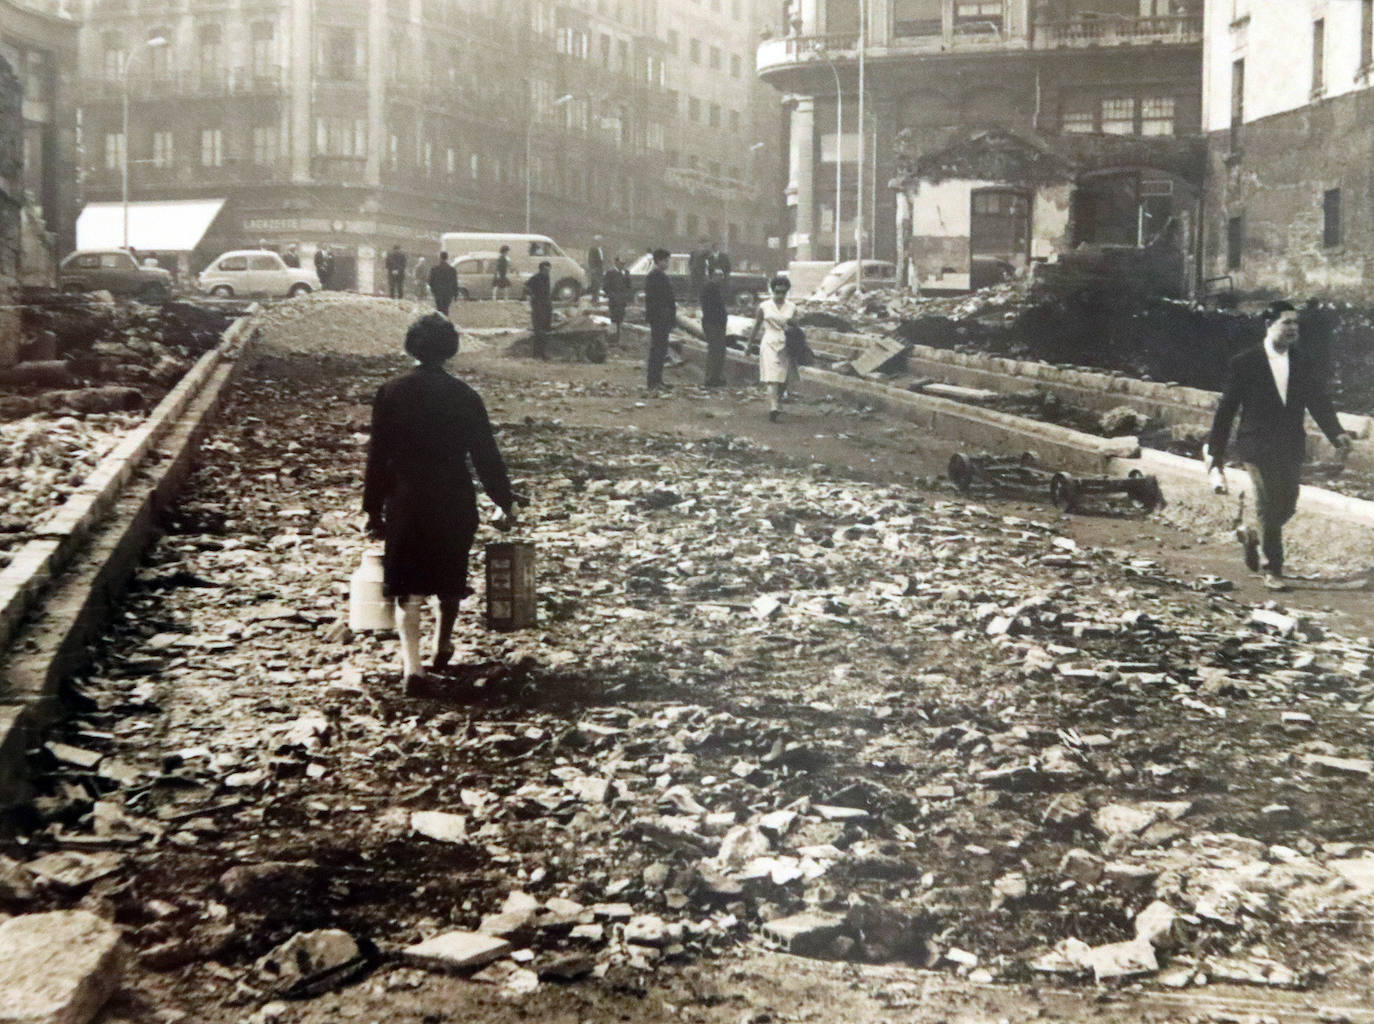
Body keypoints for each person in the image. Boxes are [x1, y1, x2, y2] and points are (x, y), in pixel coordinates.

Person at [364, 314, 516, 687]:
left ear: (411, 346)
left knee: (409, 586)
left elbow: (378, 456)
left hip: (407, 497)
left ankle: (411, 667)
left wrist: (371, 508)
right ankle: (442, 644)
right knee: (450, 576)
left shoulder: (391, 392)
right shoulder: (465, 396)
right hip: (453, 497)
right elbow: (486, 455)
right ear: (451, 349)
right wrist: (505, 500)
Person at [1208, 299, 1354, 591]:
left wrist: (1336, 432)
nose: (1293, 329)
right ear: (1269, 324)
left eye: (1296, 323)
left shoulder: (1302, 361)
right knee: (1265, 503)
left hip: (1289, 446)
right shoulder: (1245, 362)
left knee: (1286, 504)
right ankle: (1272, 568)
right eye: (1286, 322)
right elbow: (1226, 410)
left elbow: (1318, 401)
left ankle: (1253, 536)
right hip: (1255, 445)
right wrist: (1216, 455)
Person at [747, 275, 798, 422]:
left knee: (782, 377)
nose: (779, 296)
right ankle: (773, 407)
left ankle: (778, 401)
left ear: (787, 292)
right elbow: (756, 326)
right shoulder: (764, 306)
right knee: (771, 376)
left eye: (783, 292)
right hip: (769, 341)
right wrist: (750, 344)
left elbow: (796, 328)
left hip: (786, 343)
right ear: (772, 291)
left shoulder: (792, 307)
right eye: (777, 292)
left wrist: (798, 345)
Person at [644, 248, 676, 389]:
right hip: (659, 318)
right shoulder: (655, 276)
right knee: (657, 349)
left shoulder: (659, 275)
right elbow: (658, 300)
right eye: (666, 260)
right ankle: (653, 381)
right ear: (659, 261)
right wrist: (664, 315)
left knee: (661, 349)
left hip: (662, 317)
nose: (668, 263)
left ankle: (658, 380)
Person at [700, 264, 729, 387]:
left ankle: (715, 377)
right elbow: (713, 308)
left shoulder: (715, 287)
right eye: (718, 274)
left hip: (715, 323)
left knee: (718, 350)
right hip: (713, 323)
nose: (721, 277)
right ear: (711, 275)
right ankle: (711, 378)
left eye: (722, 274)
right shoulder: (710, 288)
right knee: (715, 350)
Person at [524, 260, 553, 360]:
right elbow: (526, 287)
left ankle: (543, 353)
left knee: (546, 330)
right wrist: (532, 296)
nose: (547, 271)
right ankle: (536, 354)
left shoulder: (547, 278)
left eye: (549, 269)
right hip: (538, 306)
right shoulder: (536, 278)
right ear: (541, 269)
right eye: (545, 269)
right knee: (538, 331)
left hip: (546, 306)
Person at [603, 254, 632, 345]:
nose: (622, 265)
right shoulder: (610, 273)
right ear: (616, 262)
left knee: (620, 319)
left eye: (623, 264)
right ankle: (612, 339)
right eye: (620, 263)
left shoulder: (625, 273)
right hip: (614, 301)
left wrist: (626, 296)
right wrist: (612, 296)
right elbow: (606, 287)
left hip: (622, 300)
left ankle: (618, 339)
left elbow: (629, 286)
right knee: (614, 319)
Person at [688, 237, 711, 302]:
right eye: (702, 244)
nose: (703, 245)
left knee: (701, 287)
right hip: (694, 272)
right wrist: (691, 268)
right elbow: (690, 262)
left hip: (701, 272)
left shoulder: (707, 252)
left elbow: (709, 261)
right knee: (692, 286)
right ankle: (689, 300)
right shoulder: (694, 252)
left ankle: (699, 300)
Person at [586, 235, 605, 304]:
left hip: (600, 269)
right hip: (595, 270)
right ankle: (594, 299)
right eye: (598, 241)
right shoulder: (592, 249)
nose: (599, 242)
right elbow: (590, 260)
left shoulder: (601, 249)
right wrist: (593, 269)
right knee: (595, 284)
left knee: (598, 285)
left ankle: (596, 299)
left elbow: (601, 260)